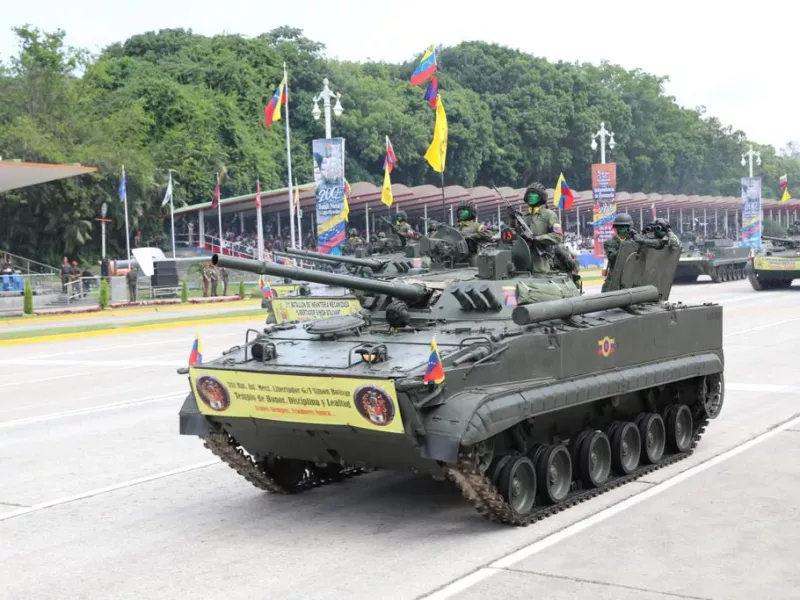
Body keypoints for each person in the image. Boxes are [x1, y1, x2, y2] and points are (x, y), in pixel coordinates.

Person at [509, 181, 564, 274]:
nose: (530, 196)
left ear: (541, 196)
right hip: (522, 266)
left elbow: (557, 236)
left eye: (534, 194)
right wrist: (512, 219)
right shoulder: (523, 217)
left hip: (541, 265)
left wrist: (536, 239)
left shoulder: (549, 215)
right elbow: (514, 237)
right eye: (529, 194)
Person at [601, 213, 636, 291]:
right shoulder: (609, 243)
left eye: (623, 227)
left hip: (631, 279)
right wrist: (628, 243)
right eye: (618, 227)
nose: (620, 229)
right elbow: (613, 257)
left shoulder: (635, 241)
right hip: (614, 280)